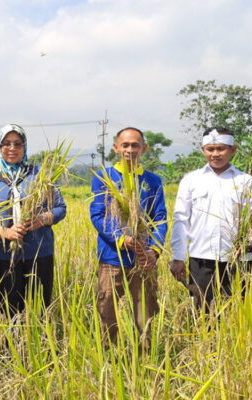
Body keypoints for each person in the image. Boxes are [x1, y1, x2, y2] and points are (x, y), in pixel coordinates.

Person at [90, 127, 167, 347]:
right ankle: (110, 362)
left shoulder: (152, 181)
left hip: (143, 261)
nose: (130, 150)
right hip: (112, 258)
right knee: (107, 315)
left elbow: (160, 218)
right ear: (116, 148)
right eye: (125, 145)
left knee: (145, 318)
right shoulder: (104, 178)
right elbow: (97, 215)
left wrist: (153, 251)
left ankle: (143, 365)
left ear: (144, 148)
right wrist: (122, 240)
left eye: (135, 145)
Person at [170, 127, 252, 312]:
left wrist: (250, 244)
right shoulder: (191, 180)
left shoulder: (247, 182)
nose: (215, 154)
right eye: (210, 149)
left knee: (238, 314)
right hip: (201, 260)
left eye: (221, 149)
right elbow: (181, 220)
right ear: (203, 150)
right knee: (202, 313)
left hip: (238, 260)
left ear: (233, 150)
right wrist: (178, 257)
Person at [0, 124, 67, 317]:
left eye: (17, 144)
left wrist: (44, 218)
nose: (12, 148)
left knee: (40, 311)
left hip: (40, 253)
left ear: (25, 147)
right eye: (6, 143)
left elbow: (60, 208)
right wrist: (5, 233)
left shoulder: (40, 175)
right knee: (9, 312)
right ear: (0, 146)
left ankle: (40, 347)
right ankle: (11, 348)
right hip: (7, 257)